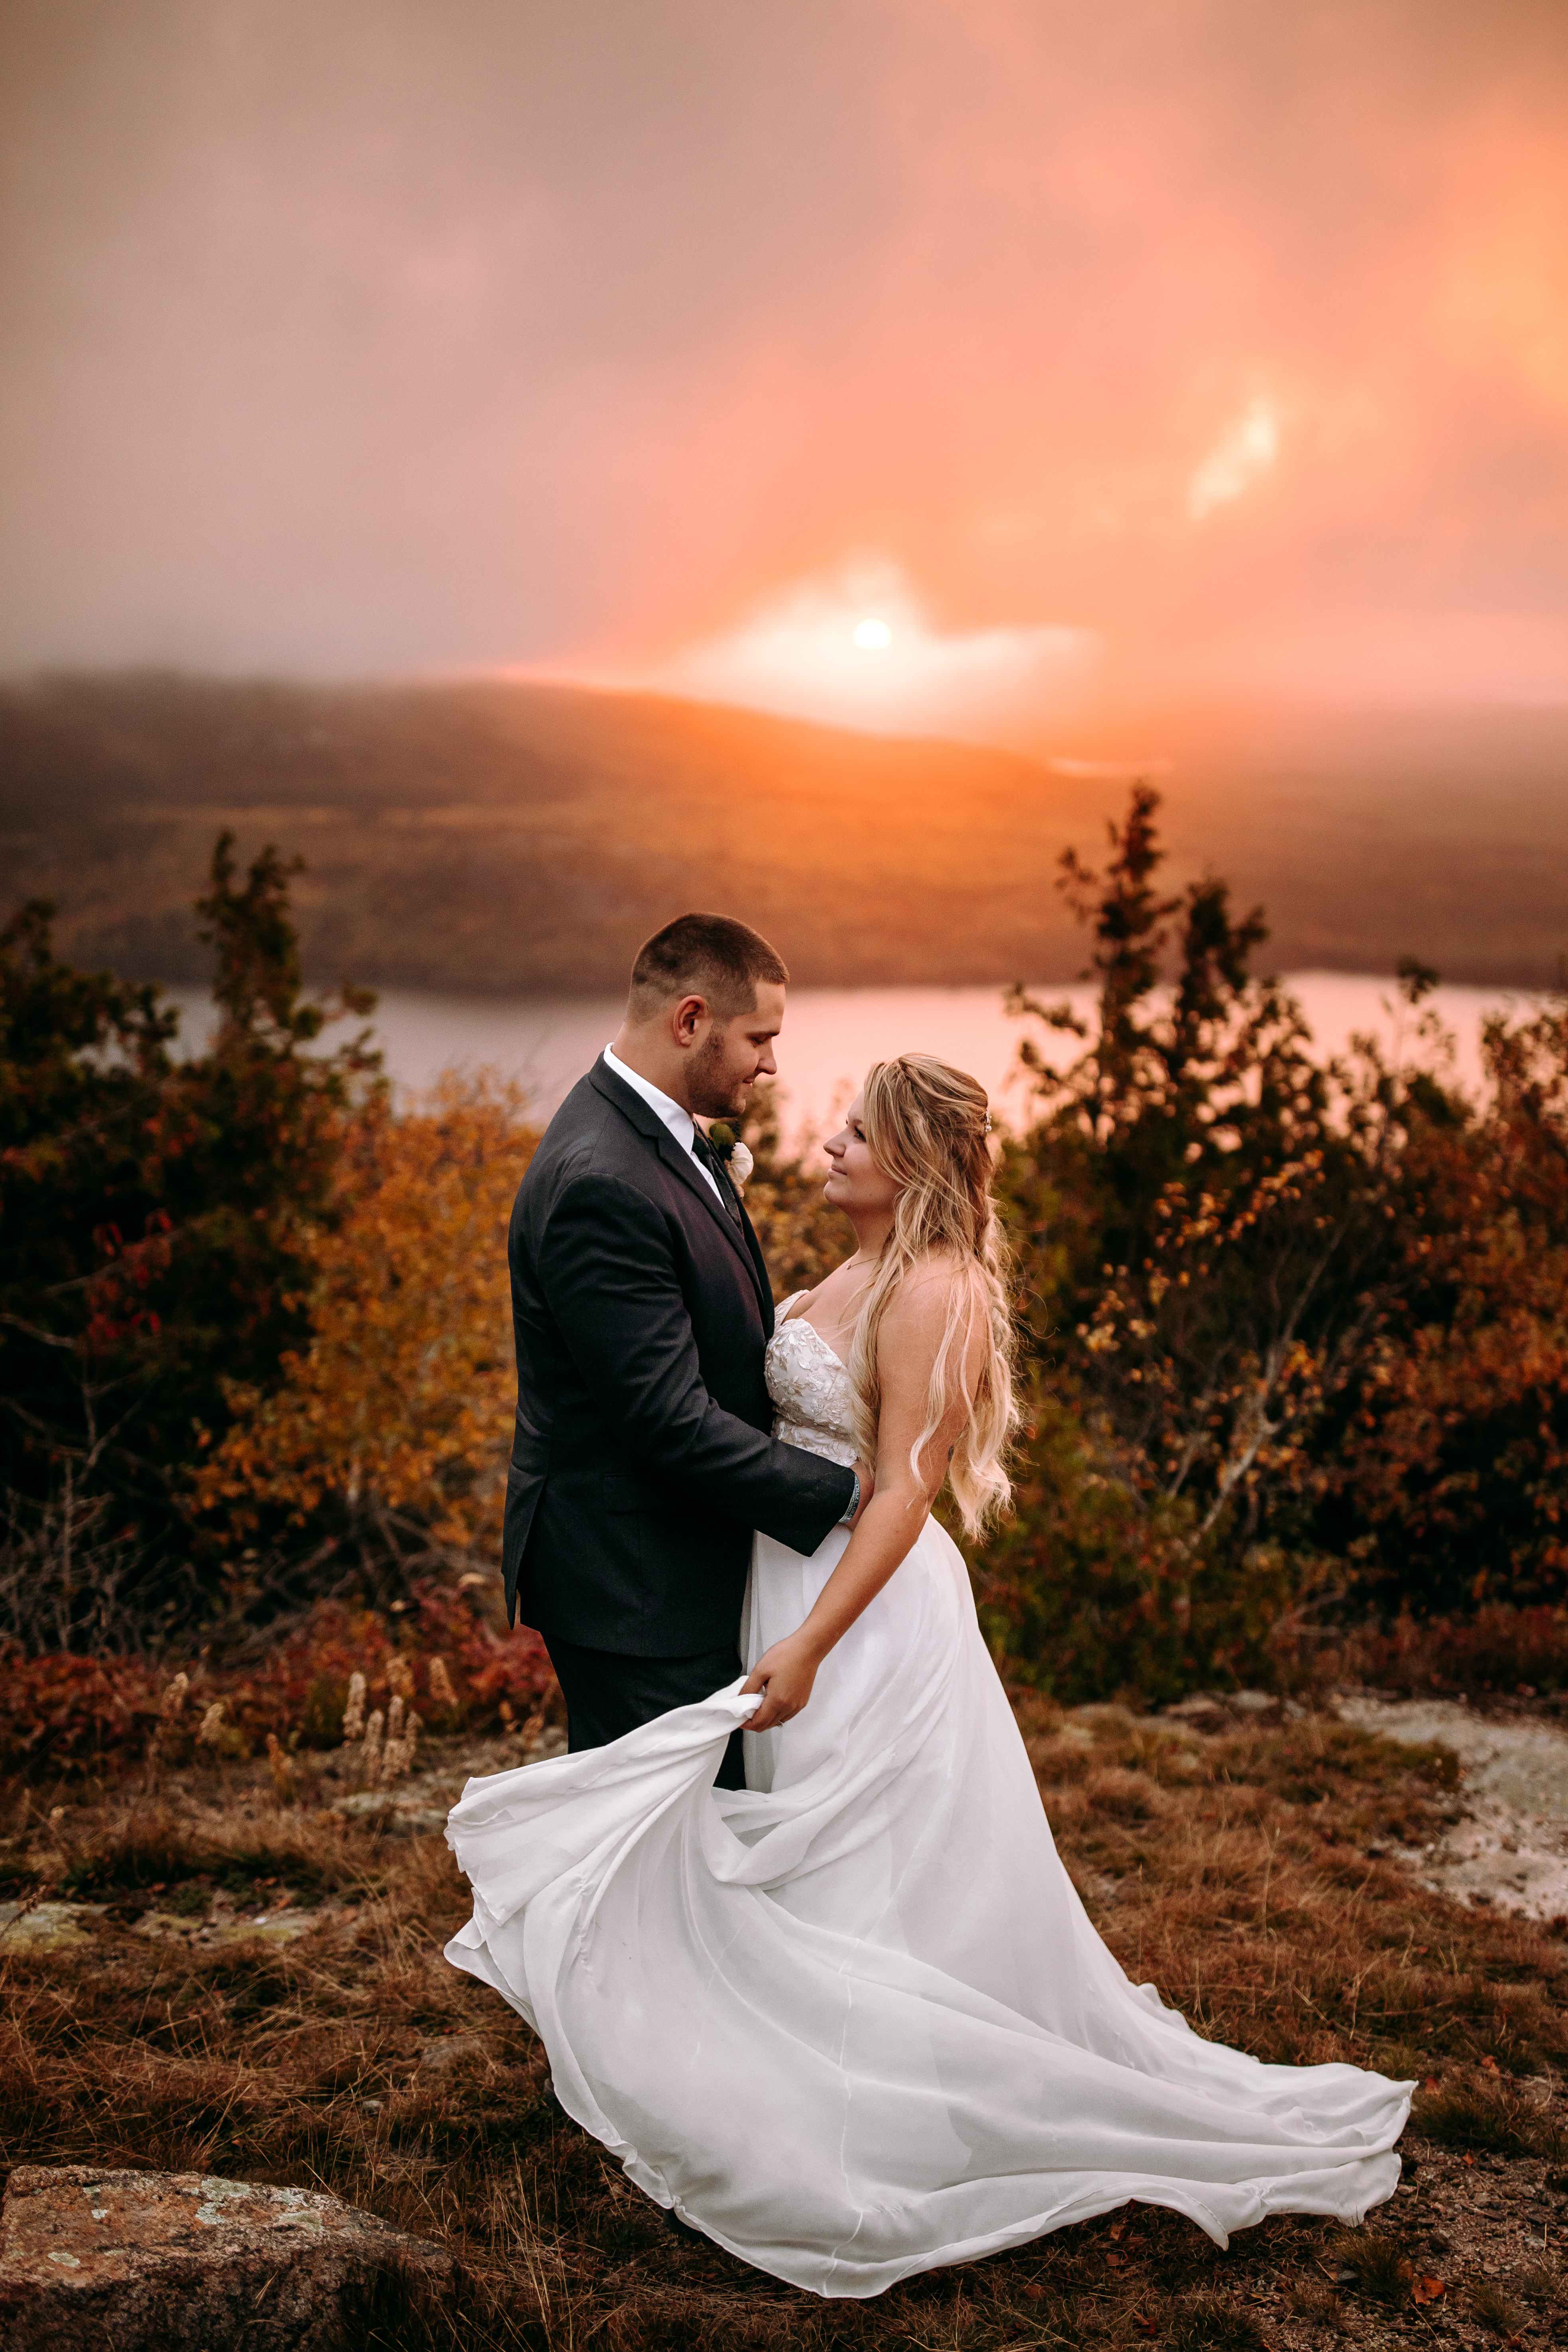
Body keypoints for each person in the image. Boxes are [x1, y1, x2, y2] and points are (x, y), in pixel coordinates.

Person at [447, 1051, 1411, 2301]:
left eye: (858, 1130)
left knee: (860, 1864)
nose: (830, 1139)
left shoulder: (938, 1289)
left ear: (916, 1159)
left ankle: (882, 2126)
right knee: (798, 1857)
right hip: (778, 1577)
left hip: (860, 1610)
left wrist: (807, 1643)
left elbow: (902, 1491)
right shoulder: (851, 1267)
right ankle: (801, 2085)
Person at [499, 910, 867, 1792]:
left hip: (676, 1558)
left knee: (698, 1844)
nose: (771, 1064)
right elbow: (667, 1420)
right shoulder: (602, 1180)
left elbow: (708, 1337)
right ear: (691, 1019)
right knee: (663, 1845)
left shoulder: (651, 1132)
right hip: (635, 1582)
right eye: (759, 1037)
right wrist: (849, 1490)